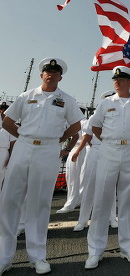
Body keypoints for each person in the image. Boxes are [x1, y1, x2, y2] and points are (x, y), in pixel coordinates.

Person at [0, 58, 84, 275]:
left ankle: (37, 256)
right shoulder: (26, 96)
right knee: (10, 200)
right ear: (42, 75)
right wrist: (24, 137)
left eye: (55, 72)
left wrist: (58, 140)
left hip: (48, 150)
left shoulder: (66, 100)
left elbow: (76, 125)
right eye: (47, 71)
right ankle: (3, 256)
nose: (51, 74)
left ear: (60, 77)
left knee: (40, 203)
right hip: (23, 147)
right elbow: (8, 121)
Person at [84, 66, 130, 270]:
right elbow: (95, 126)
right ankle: (95, 250)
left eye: (121, 79)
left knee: (127, 201)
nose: (116, 82)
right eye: (115, 79)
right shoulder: (105, 103)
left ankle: (128, 247)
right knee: (102, 199)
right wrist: (110, 141)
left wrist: (127, 142)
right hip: (109, 150)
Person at [72, 91, 118, 232]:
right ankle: (83, 220)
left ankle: (112, 218)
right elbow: (87, 136)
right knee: (89, 186)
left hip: (112, 151)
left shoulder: (120, 117)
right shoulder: (93, 117)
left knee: (110, 186)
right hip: (96, 151)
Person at [56, 108, 88, 214]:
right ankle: (76, 199)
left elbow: (85, 138)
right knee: (70, 177)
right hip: (75, 149)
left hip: (79, 149)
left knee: (74, 177)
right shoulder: (73, 122)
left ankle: (71, 202)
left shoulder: (84, 122)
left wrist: (77, 151)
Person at [0, 102, 15, 190]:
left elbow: (13, 143)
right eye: (1, 109)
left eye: (5, 109)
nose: (3, 111)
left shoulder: (11, 125)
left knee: (1, 176)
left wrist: (11, 158)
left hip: (3, 152)